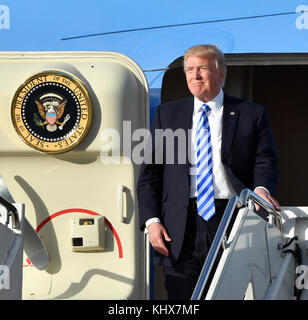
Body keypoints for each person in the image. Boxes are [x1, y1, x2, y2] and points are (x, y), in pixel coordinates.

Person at [137, 44, 280, 300]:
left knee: (233, 292)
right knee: (182, 297)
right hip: (180, 225)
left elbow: (265, 161)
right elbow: (150, 175)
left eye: (203, 68)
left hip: (233, 218)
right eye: (190, 70)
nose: (195, 75)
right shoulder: (167, 115)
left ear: (221, 74)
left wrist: (260, 190)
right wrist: (152, 221)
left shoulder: (251, 114)